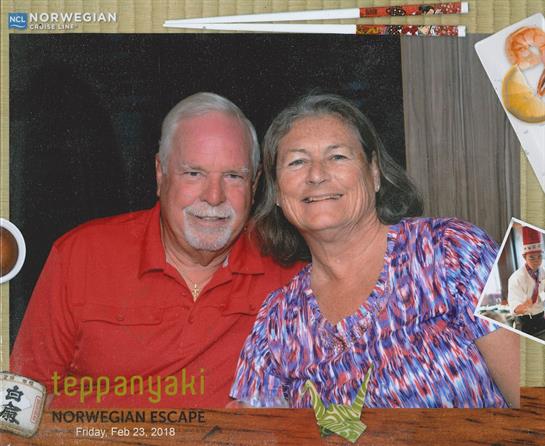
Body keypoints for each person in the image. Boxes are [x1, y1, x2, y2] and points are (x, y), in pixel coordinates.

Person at [10, 92, 303, 408]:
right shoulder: (81, 255)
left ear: (255, 184)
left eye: (233, 176)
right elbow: (23, 397)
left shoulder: (291, 279)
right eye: (194, 173)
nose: (214, 196)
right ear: (160, 174)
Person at [230, 93, 519, 408]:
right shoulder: (277, 320)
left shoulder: (459, 247)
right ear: (277, 193)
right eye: (297, 162)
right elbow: (253, 432)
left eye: (338, 156)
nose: (316, 174)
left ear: (375, 173)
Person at [508, 226, 545, 336]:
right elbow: (515, 308)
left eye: (539, 257)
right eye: (532, 258)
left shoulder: (543, 271)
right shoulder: (516, 278)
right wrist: (525, 306)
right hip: (525, 323)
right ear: (524, 257)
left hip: (541, 319)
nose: (537, 261)